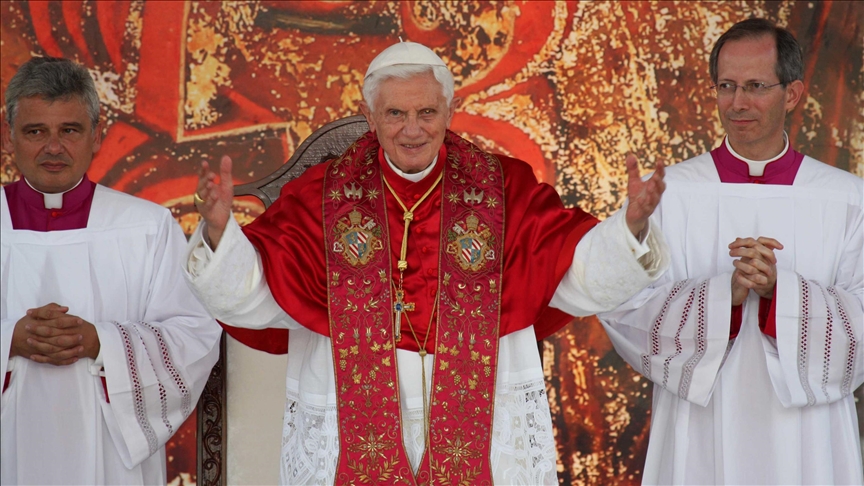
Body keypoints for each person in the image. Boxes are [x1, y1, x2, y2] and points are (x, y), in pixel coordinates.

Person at [185, 41, 669, 485]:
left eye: (427, 112)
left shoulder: (503, 190)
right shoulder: (321, 198)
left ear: (449, 112)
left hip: (484, 415)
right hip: (349, 417)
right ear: (369, 116)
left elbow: (572, 270)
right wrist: (220, 235)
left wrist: (629, 229)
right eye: (395, 113)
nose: (412, 129)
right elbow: (261, 289)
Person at [599, 18, 863, 485]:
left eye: (756, 86)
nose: (737, 103)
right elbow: (621, 307)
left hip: (808, 439)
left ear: (793, 94)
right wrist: (724, 298)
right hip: (698, 432)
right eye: (726, 86)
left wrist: (781, 294)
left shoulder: (846, 199)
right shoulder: (669, 195)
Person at [0, 57, 222, 485]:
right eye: (35, 131)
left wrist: (102, 342)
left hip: (112, 461)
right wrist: (10, 339)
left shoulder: (146, 226)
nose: (53, 147)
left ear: (96, 136)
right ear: (8, 136)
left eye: (70, 130)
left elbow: (195, 335)